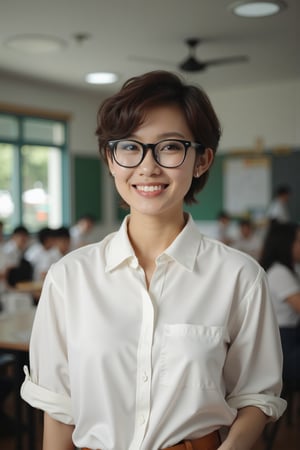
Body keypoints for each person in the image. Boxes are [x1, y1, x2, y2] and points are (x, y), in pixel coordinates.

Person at [21, 71, 286, 450]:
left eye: (170, 147)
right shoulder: (69, 277)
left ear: (201, 160)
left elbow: (255, 397)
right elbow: (59, 414)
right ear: (110, 160)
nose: (147, 166)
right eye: (129, 146)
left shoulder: (239, 277)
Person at [260, 222, 300, 388]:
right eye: (298, 240)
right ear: (286, 244)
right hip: (284, 345)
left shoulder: (289, 270)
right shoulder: (279, 272)